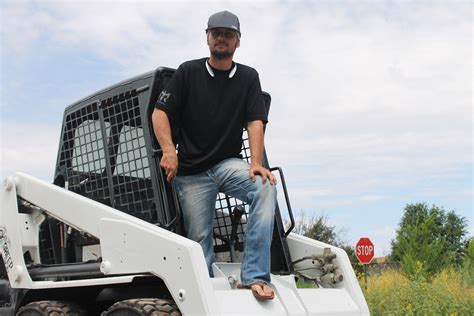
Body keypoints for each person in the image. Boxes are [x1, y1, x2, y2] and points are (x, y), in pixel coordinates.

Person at [152, 10, 276, 300]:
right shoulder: (188, 72)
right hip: (192, 171)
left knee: (264, 187)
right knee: (199, 238)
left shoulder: (248, 77)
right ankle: (203, 294)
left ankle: (255, 276)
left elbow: (256, 120)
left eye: (228, 34)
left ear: (238, 41)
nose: (222, 38)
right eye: (216, 33)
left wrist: (256, 163)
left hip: (227, 164)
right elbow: (160, 113)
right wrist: (169, 150)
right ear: (207, 37)